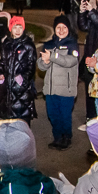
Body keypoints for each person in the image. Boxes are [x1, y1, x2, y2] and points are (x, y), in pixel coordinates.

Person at [38, 15, 78, 150]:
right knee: (53, 114)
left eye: (64, 27)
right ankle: (57, 137)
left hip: (66, 90)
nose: (61, 30)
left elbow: (70, 61)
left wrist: (53, 56)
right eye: (58, 27)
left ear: (68, 29)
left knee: (64, 115)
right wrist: (45, 61)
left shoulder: (72, 44)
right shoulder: (48, 45)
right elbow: (41, 66)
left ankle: (67, 137)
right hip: (50, 89)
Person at [0, 16, 37, 124]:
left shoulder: (28, 45)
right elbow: (3, 62)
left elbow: (31, 66)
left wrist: (23, 79)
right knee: (8, 119)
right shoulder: (6, 44)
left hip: (21, 88)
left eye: (20, 27)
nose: (17, 31)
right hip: (8, 88)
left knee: (21, 119)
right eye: (15, 27)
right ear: (10, 29)